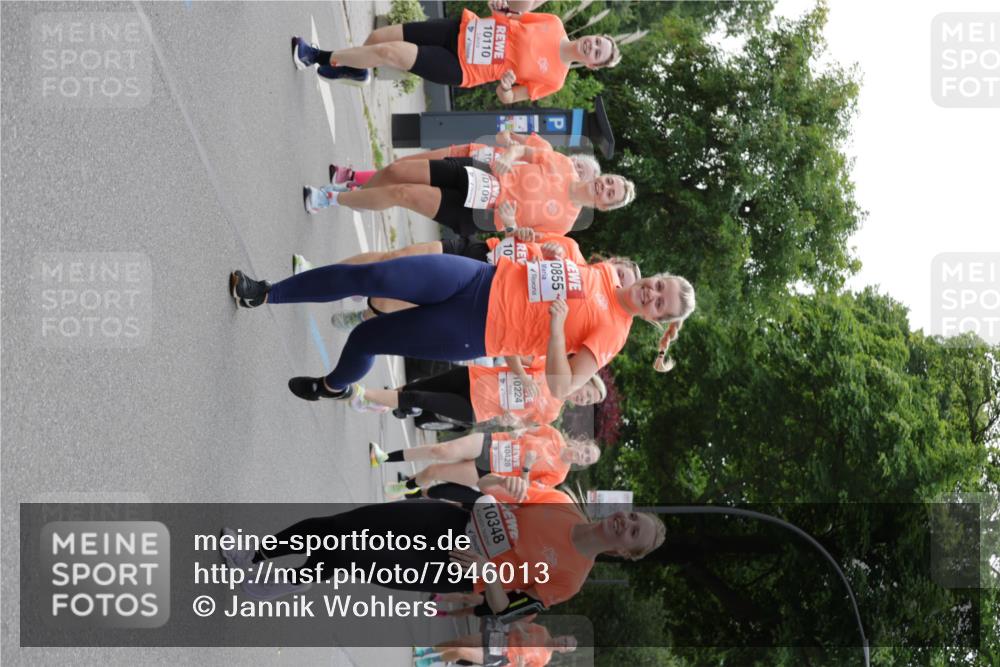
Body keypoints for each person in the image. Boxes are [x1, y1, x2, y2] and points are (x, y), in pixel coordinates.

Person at [228, 253, 695, 402]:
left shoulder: (613, 335)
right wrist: (547, 257)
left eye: (659, 303)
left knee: (366, 337)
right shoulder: (605, 273)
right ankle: (266, 292)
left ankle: (334, 385)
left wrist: (555, 330)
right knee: (376, 277)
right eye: (659, 286)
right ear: (657, 276)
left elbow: (560, 385)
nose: (652, 294)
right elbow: (547, 270)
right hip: (479, 276)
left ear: (656, 320)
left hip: (473, 329)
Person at [220, 485, 666, 618]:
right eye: (633, 518)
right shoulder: (561, 502)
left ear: (625, 554)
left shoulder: (570, 580)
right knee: (338, 527)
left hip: (452, 570)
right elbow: (499, 503)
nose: (625, 523)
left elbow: (505, 613)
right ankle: (255, 558)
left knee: (347, 555)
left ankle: (269, 581)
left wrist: (489, 572)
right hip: (449, 523)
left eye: (632, 534)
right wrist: (484, 496)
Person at [303, 138, 635, 241]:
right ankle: (358, 197)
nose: (605, 186)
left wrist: (512, 224)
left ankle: (332, 198)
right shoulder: (562, 164)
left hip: (477, 213)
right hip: (477, 174)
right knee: (397, 170)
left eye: (610, 193)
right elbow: (524, 150)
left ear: (603, 206)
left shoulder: (563, 224)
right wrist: (509, 155)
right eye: (610, 181)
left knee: (403, 194)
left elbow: (519, 242)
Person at [289, 2, 620, 103]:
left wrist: (505, 85)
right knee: (378, 38)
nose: (592, 45)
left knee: (389, 52)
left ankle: (316, 56)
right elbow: (514, 16)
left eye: (597, 52)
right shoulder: (553, 22)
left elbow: (508, 98)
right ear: (591, 35)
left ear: (592, 65)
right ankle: (356, 69)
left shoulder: (555, 78)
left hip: (463, 67)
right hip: (461, 30)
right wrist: (500, 8)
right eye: (596, 40)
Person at [351, 359, 606, 431]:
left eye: (588, 402)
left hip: (475, 408)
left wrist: (510, 421)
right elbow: (512, 353)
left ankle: (362, 394)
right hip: (472, 377)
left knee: (419, 398)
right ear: (584, 379)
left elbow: (522, 425)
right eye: (588, 393)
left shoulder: (551, 412)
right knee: (415, 388)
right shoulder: (549, 366)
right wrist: (525, 376)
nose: (584, 400)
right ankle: (380, 403)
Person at [370, 423, 601, 498]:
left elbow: (525, 489)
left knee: (435, 471)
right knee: (441, 450)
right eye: (586, 451)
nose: (583, 455)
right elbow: (525, 428)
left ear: (583, 463)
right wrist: (516, 429)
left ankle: (404, 487)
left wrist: (527, 466)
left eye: (586, 459)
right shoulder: (554, 435)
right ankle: (384, 457)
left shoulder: (558, 475)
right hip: (492, 443)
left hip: (489, 470)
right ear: (581, 444)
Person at [328, 129, 602, 191]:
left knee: (410, 184)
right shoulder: (543, 148)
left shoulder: (548, 191)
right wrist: (508, 142)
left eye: (583, 175)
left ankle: (357, 186)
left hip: (472, 183)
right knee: (406, 166)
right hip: (468, 153)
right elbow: (505, 133)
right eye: (579, 165)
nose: (577, 171)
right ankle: (354, 179)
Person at [414, 620, 575, 667]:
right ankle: (426, 651)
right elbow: (515, 624)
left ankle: (430, 661)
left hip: (500, 656)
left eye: (565, 646)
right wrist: (522, 632)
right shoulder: (542, 630)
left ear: (562, 651)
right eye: (565, 640)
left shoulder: (543, 660)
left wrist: (519, 663)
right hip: (499, 638)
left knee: (462, 651)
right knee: (460, 641)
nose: (563, 643)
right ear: (562, 636)